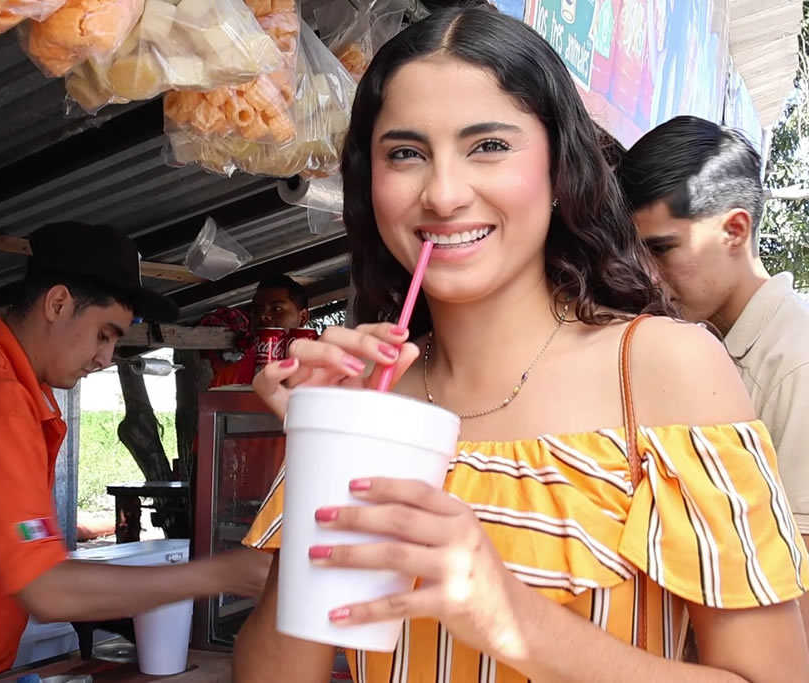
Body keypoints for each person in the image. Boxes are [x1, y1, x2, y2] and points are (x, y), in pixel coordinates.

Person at [232, 6, 809, 682]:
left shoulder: (664, 368)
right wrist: (322, 460)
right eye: (406, 153)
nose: (444, 194)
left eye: (489, 146)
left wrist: (513, 617)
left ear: (561, 170)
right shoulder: (370, 395)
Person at [0, 222, 270, 683]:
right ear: (57, 304)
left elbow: (27, 559)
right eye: (105, 333)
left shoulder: (11, 386)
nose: (105, 358)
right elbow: (46, 589)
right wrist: (221, 575)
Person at [618, 115, 809, 634]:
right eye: (637, 252)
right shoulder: (698, 343)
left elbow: (798, 595)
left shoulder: (794, 367)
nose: (647, 273)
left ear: (735, 230)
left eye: (662, 249)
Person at [207, 274, 310, 388]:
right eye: (257, 310)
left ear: (303, 317)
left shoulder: (322, 373)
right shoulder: (228, 378)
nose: (263, 316)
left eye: (276, 309)